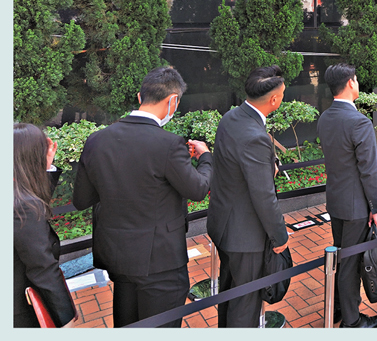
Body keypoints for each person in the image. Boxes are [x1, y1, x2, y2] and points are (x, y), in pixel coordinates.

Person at [73, 66, 212, 327]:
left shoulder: (96, 140)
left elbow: (81, 200)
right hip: (161, 261)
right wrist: (205, 157)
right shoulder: (169, 144)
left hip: (117, 256)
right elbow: (198, 189)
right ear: (173, 101)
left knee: (127, 323)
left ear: (140, 97)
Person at [208, 66, 292, 328]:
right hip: (245, 236)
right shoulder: (255, 136)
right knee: (245, 306)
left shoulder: (231, 117)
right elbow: (264, 196)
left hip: (223, 224)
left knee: (229, 295)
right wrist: (280, 237)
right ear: (274, 100)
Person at [316, 63, 377, 328]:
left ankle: (338, 308)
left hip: (336, 199)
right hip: (357, 205)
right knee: (350, 263)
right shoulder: (359, 122)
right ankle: (352, 321)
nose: (357, 83)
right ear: (349, 83)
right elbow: (369, 170)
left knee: (340, 256)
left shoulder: (325, 118)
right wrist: (376, 206)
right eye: (355, 79)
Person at [14, 123, 77, 328]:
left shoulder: (16, 190)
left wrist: (47, 166)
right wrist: (66, 319)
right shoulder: (22, 206)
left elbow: (34, 200)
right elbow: (43, 269)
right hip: (19, 309)